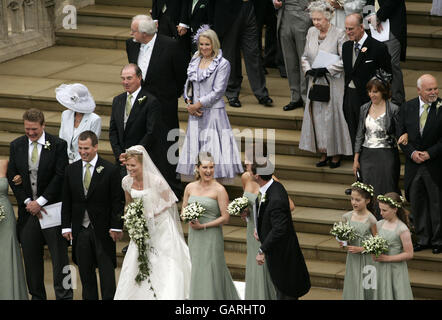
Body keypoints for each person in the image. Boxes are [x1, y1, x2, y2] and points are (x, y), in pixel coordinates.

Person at [7, 108, 72, 300]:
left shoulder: (58, 145)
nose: (31, 133)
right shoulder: (16, 145)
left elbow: (61, 175)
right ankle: (37, 296)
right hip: (29, 213)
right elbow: (12, 176)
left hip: (52, 210)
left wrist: (41, 201)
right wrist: (27, 201)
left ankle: (65, 295)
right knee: (31, 259)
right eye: (27, 129)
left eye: (34, 129)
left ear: (43, 125)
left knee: (61, 259)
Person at [115, 145, 191, 300]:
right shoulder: (126, 182)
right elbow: (128, 203)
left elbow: (170, 201)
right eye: (128, 165)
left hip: (161, 225)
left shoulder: (156, 181)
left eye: (133, 165)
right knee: (138, 260)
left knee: (164, 261)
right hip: (141, 227)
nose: (130, 169)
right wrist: (131, 218)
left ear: (142, 164)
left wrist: (152, 213)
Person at [61, 131, 124, 300]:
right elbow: (66, 200)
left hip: (103, 231)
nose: (83, 152)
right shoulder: (71, 170)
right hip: (80, 230)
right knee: (86, 276)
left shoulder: (110, 170)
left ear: (96, 147)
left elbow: (117, 201)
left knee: (107, 276)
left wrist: (116, 225)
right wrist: (66, 226)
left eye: (86, 148)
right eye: (80, 148)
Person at [177, 28, 243, 183]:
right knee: (195, 149)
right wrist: (188, 102)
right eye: (201, 44)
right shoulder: (195, 59)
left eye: (207, 44)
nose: (204, 48)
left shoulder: (222, 64)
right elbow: (188, 84)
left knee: (212, 149)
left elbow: (218, 91)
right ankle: (198, 186)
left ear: (214, 44)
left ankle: (215, 188)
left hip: (213, 113)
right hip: (195, 113)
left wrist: (197, 105)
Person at [109, 64, 182, 199]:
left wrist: (133, 154)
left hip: (142, 158)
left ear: (139, 78)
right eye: (123, 78)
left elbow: (151, 132)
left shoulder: (151, 101)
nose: (125, 82)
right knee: (123, 197)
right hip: (122, 160)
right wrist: (119, 153)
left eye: (129, 78)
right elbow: (113, 130)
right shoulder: (117, 100)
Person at [299, 0, 353, 169]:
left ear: (328, 17)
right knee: (317, 116)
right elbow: (305, 56)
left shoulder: (339, 34)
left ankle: (335, 154)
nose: (316, 23)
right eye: (314, 19)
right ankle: (323, 152)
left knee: (332, 116)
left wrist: (327, 69)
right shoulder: (311, 32)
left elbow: (346, 59)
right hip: (315, 80)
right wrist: (308, 70)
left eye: (319, 19)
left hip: (333, 81)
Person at [182, 151, 239, 300]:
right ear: (197, 168)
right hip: (195, 236)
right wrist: (188, 217)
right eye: (205, 167)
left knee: (212, 269)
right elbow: (183, 211)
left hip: (211, 236)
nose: (209, 171)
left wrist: (204, 226)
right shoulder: (190, 187)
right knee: (198, 269)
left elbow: (225, 217)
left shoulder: (219, 190)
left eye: (211, 167)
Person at [253, 160, 311, 300]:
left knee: (285, 292)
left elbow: (279, 229)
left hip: (283, 255)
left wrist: (262, 250)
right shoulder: (274, 187)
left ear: (257, 176)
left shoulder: (276, 197)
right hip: (279, 253)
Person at [241, 149, 294, 300]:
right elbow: (249, 202)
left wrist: (265, 218)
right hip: (252, 229)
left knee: (265, 265)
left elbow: (289, 206)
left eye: (249, 160)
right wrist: (245, 211)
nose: (245, 162)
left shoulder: (272, 182)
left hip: (266, 231)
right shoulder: (246, 177)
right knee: (254, 264)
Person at [399, 74, 442, 254]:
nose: (433, 92)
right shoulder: (407, 107)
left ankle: (438, 240)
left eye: (435, 88)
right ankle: (423, 238)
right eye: (429, 89)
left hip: (434, 164)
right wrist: (412, 153)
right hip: (414, 165)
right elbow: (400, 135)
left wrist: (429, 154)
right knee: (417, 202)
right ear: (419, 90)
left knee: (436, 203)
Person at [126, 15, 187, 139]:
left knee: (166, 140)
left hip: (164, 103)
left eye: (134, 31)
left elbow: (181, 75)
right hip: (140, 102)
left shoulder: (171, 46)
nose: (131, 33)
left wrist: (172, 94)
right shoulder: (131, 44)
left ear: (144, 33)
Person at [208, 0, 273, 108]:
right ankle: (232, 92)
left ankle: (261, 93)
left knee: (253, 53)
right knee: (231, 54)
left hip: (250, 8)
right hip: (228, 11)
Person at [353, 74, 401, 219]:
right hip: (367, 155)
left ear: (383, 92)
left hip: (386, 154)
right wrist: (356, 159)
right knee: (368, 190)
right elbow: (359, 135)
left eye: (375, 91)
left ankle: (389, 221)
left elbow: (399, 132)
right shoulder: (364, 108)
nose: (371, 95)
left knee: (386, 187)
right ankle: (371, 222)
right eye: (370, 91)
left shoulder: (393, 109)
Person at [342, 13, 392, 151]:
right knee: (353, 132)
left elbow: (387, 75)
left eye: (351, 28)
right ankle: (357, 160)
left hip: (369, 99)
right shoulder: (346, 47)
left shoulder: (377, 47)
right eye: (346, 28)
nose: (348, 32)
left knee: (371, 134)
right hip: (350, 96)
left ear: (361, 27)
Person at [340, 182, 377, 300]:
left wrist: (362, 248)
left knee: (367, 285)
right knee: (354, 282)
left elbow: (378, 243)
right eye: (352, 199)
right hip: (353, 257)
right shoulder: (347, 217)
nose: (354, 202)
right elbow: (343, 239)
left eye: (358, 200)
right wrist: (343, 242)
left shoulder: (371, 219)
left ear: (367, 201)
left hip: (367, 259)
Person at [366, 0, 407, 105]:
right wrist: (370, 21)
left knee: (392, 65)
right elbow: (368, 2)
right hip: (374, 29)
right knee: (374, 64)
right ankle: (377, 97)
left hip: (392, 28)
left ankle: (397, 100)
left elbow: (391, 2)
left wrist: (378, 17)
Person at [374, 192, 414, 300]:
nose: (381, 213)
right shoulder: (379, 224)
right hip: (381, 267)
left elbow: (409, 254)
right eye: (380, 209)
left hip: (395, 269)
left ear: (395, 209)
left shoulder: (402, 229)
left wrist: (388, 258)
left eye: (384, 210)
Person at [273, 0, 312, 111]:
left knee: (304, 61)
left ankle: (306, 98)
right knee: (290, 61)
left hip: (303, 15)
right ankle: (295, 97)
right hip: (284, 16)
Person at [0, 159, 28, 300]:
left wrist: (20, 178)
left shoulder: (5, 163)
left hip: (5, 218)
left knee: (7, 253)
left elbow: (25, 179)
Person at [57, 83, 102, 164]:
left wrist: (75, 164)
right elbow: (61, 140)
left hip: (84, 161)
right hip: (63, 160)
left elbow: (91, 145)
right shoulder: (65, 114)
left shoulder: (95, 119)